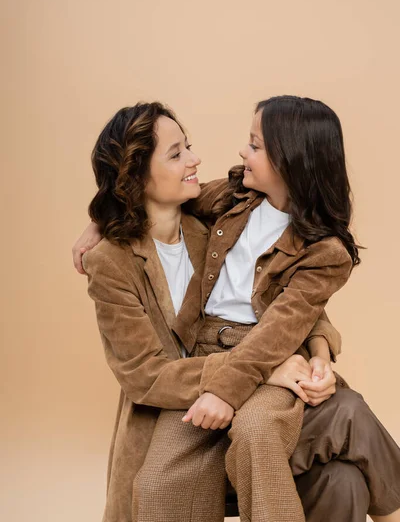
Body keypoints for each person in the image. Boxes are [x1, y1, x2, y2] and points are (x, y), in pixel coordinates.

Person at [74, 99, 400, 522]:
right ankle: (346, 420)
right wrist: (100, 220)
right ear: (134, 175)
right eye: (177, 153)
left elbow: (286, 306)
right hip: (189, 393)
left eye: (256, 145)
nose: (198, 159)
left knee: (315, 462)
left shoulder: (213, 221)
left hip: (263, 360)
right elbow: (144, 374)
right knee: (155, 486)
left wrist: (317, 350)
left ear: (289, 160)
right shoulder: (227, 206)